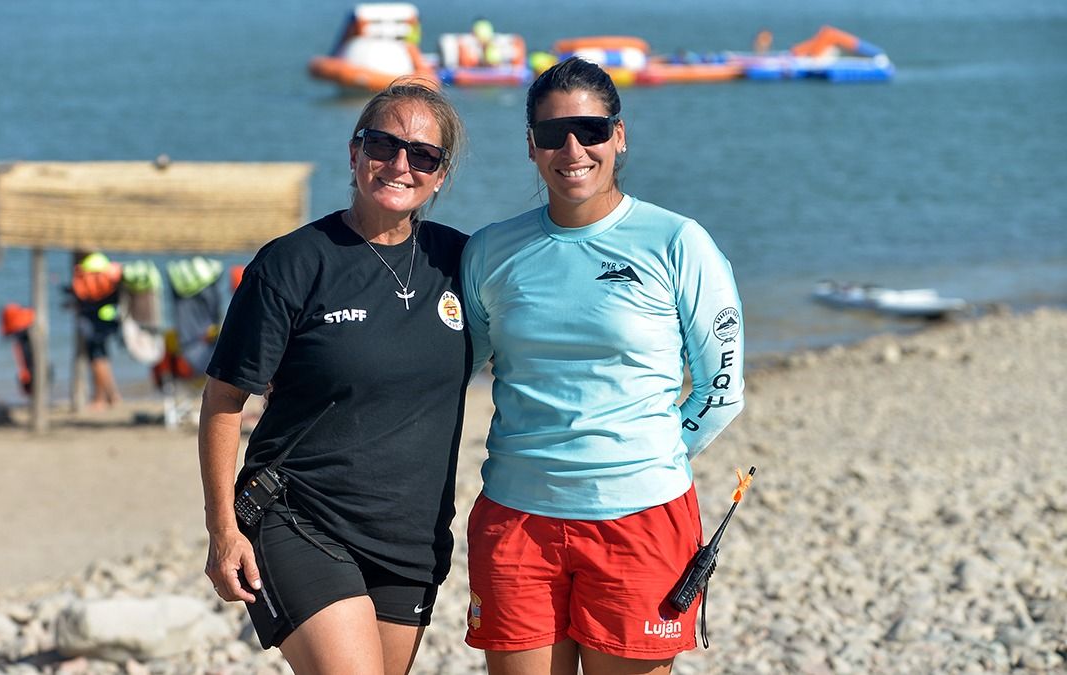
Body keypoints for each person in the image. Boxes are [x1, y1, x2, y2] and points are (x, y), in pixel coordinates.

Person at [460, 57, 746, 674]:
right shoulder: (489, 250)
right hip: (516, 519)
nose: (572, 148)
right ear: (530, 146)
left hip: (641, 518)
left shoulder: (677, 243)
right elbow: (450, 371)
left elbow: (721, 391)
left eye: (590, 130)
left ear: (619, 135)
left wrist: (649, 455)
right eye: (551, 133)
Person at [199, 79, 472, 675]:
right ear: (354, 153)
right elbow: (222, 402)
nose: (400, 165)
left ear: (440, 175)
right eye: (383, 145)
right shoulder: (292, 263)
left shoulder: (461, 262)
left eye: (422, 155)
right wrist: (222, 530)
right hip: (298, 515)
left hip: (411, 539)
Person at [70, 252, 123, 411]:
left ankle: (104, 398)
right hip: (109, 316)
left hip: (94, 319)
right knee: (102, 357)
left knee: (97, 358)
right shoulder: (104, 264)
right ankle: (111, 395)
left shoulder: (85, 268)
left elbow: (83, 295)